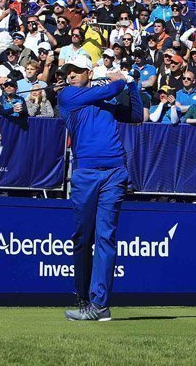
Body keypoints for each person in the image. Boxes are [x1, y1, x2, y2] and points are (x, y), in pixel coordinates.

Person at [57, 54, 143, 322]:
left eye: (77, 71)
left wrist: (133, 85)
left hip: (115, 174)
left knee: (105, 237)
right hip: (85, 175)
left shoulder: (105, 104)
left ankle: (99, 305)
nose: (70, 75)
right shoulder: (68, 97)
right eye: (68, 71)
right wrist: (119, 80)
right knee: (83, 238)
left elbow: (136, 115)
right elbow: (112, 87)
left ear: (89, 73)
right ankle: (82, 296)